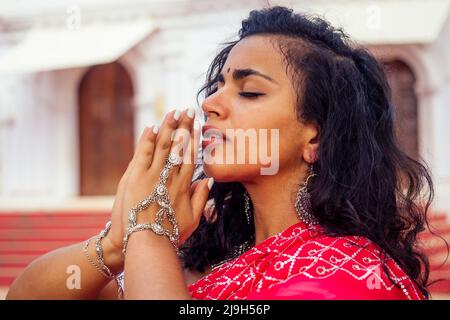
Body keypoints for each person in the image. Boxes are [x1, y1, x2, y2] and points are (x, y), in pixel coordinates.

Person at [6, 6, 434, 300]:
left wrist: (150, 231)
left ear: (315, 139)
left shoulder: (347, 274)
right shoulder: (210, 260)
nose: (211, 104)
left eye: (248, 91)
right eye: (216, 87)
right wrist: (118, 243)